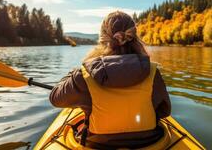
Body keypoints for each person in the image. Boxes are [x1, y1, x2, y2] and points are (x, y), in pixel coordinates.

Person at [49, 11, 171, 148]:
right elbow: (164, 111)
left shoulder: (83, 76)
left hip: (97, 145)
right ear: (134, 37)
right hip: (150, 143)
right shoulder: (153, 72)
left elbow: (55, 98)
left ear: (102, 39)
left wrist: (74, 73)